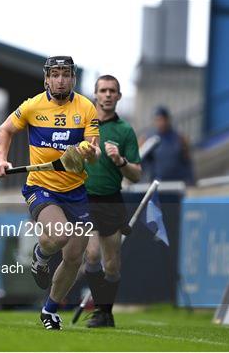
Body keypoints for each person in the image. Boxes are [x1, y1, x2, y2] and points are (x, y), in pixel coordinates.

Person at [0, 56, 100, 330]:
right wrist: (1, 160)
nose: (61, 79)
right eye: (55, 74)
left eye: (66, 74)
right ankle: (41, 253)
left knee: (75, 256)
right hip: (41, 187)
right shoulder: (32, 106)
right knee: (60, 235)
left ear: (73, 78)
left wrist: (89, 152)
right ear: (46, 78)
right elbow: (4, 130)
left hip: (76, 190)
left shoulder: (86, 107)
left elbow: (93, 150)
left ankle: (50, 310)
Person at [83, 75, 142, 328]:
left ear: (118, 96)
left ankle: (106, 312)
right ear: (95, 95)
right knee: (92, 255)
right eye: (103, 90)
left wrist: (120, 161)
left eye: (112, 91)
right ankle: (99, 310)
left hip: (111, 200)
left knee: (112, 264)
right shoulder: (83, 124)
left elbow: (136, 174)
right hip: (84, 199)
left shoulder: (125, 130)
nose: (107, 95)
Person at [144, 106, 193, 184]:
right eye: (158, 120)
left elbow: (187, 162)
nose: (161, 123)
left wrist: (191, 181)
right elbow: (142, 163)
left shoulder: (180, 138)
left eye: (163, 119)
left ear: (168, 119)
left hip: (176, 185)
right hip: (156, 185)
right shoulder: (149, 140)